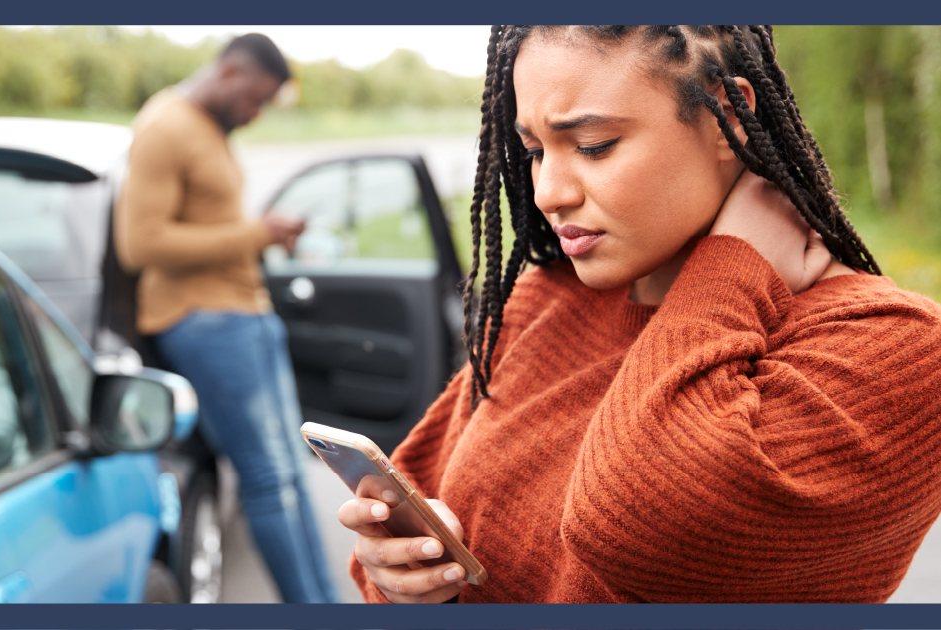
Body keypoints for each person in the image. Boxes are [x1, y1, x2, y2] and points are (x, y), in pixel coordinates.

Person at [341, 25, 941, 603]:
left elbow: (635, 528)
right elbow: (417, 510)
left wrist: (732, 268)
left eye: (592, 145)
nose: (549, 190)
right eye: (532, 150)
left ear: (727, 117)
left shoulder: (898, 350)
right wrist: (407, 585)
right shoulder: (545, 298)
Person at [114, 33, 338, 603]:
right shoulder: (165, 125)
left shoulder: (211, 129)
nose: (256, 114)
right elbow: (139, 244)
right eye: (255, 100)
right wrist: (255, 233)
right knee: (268, 481)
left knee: (291, 476)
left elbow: (208, 225)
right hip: (205, 321)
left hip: (244, 314)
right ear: (231, 73)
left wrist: (264, 236)